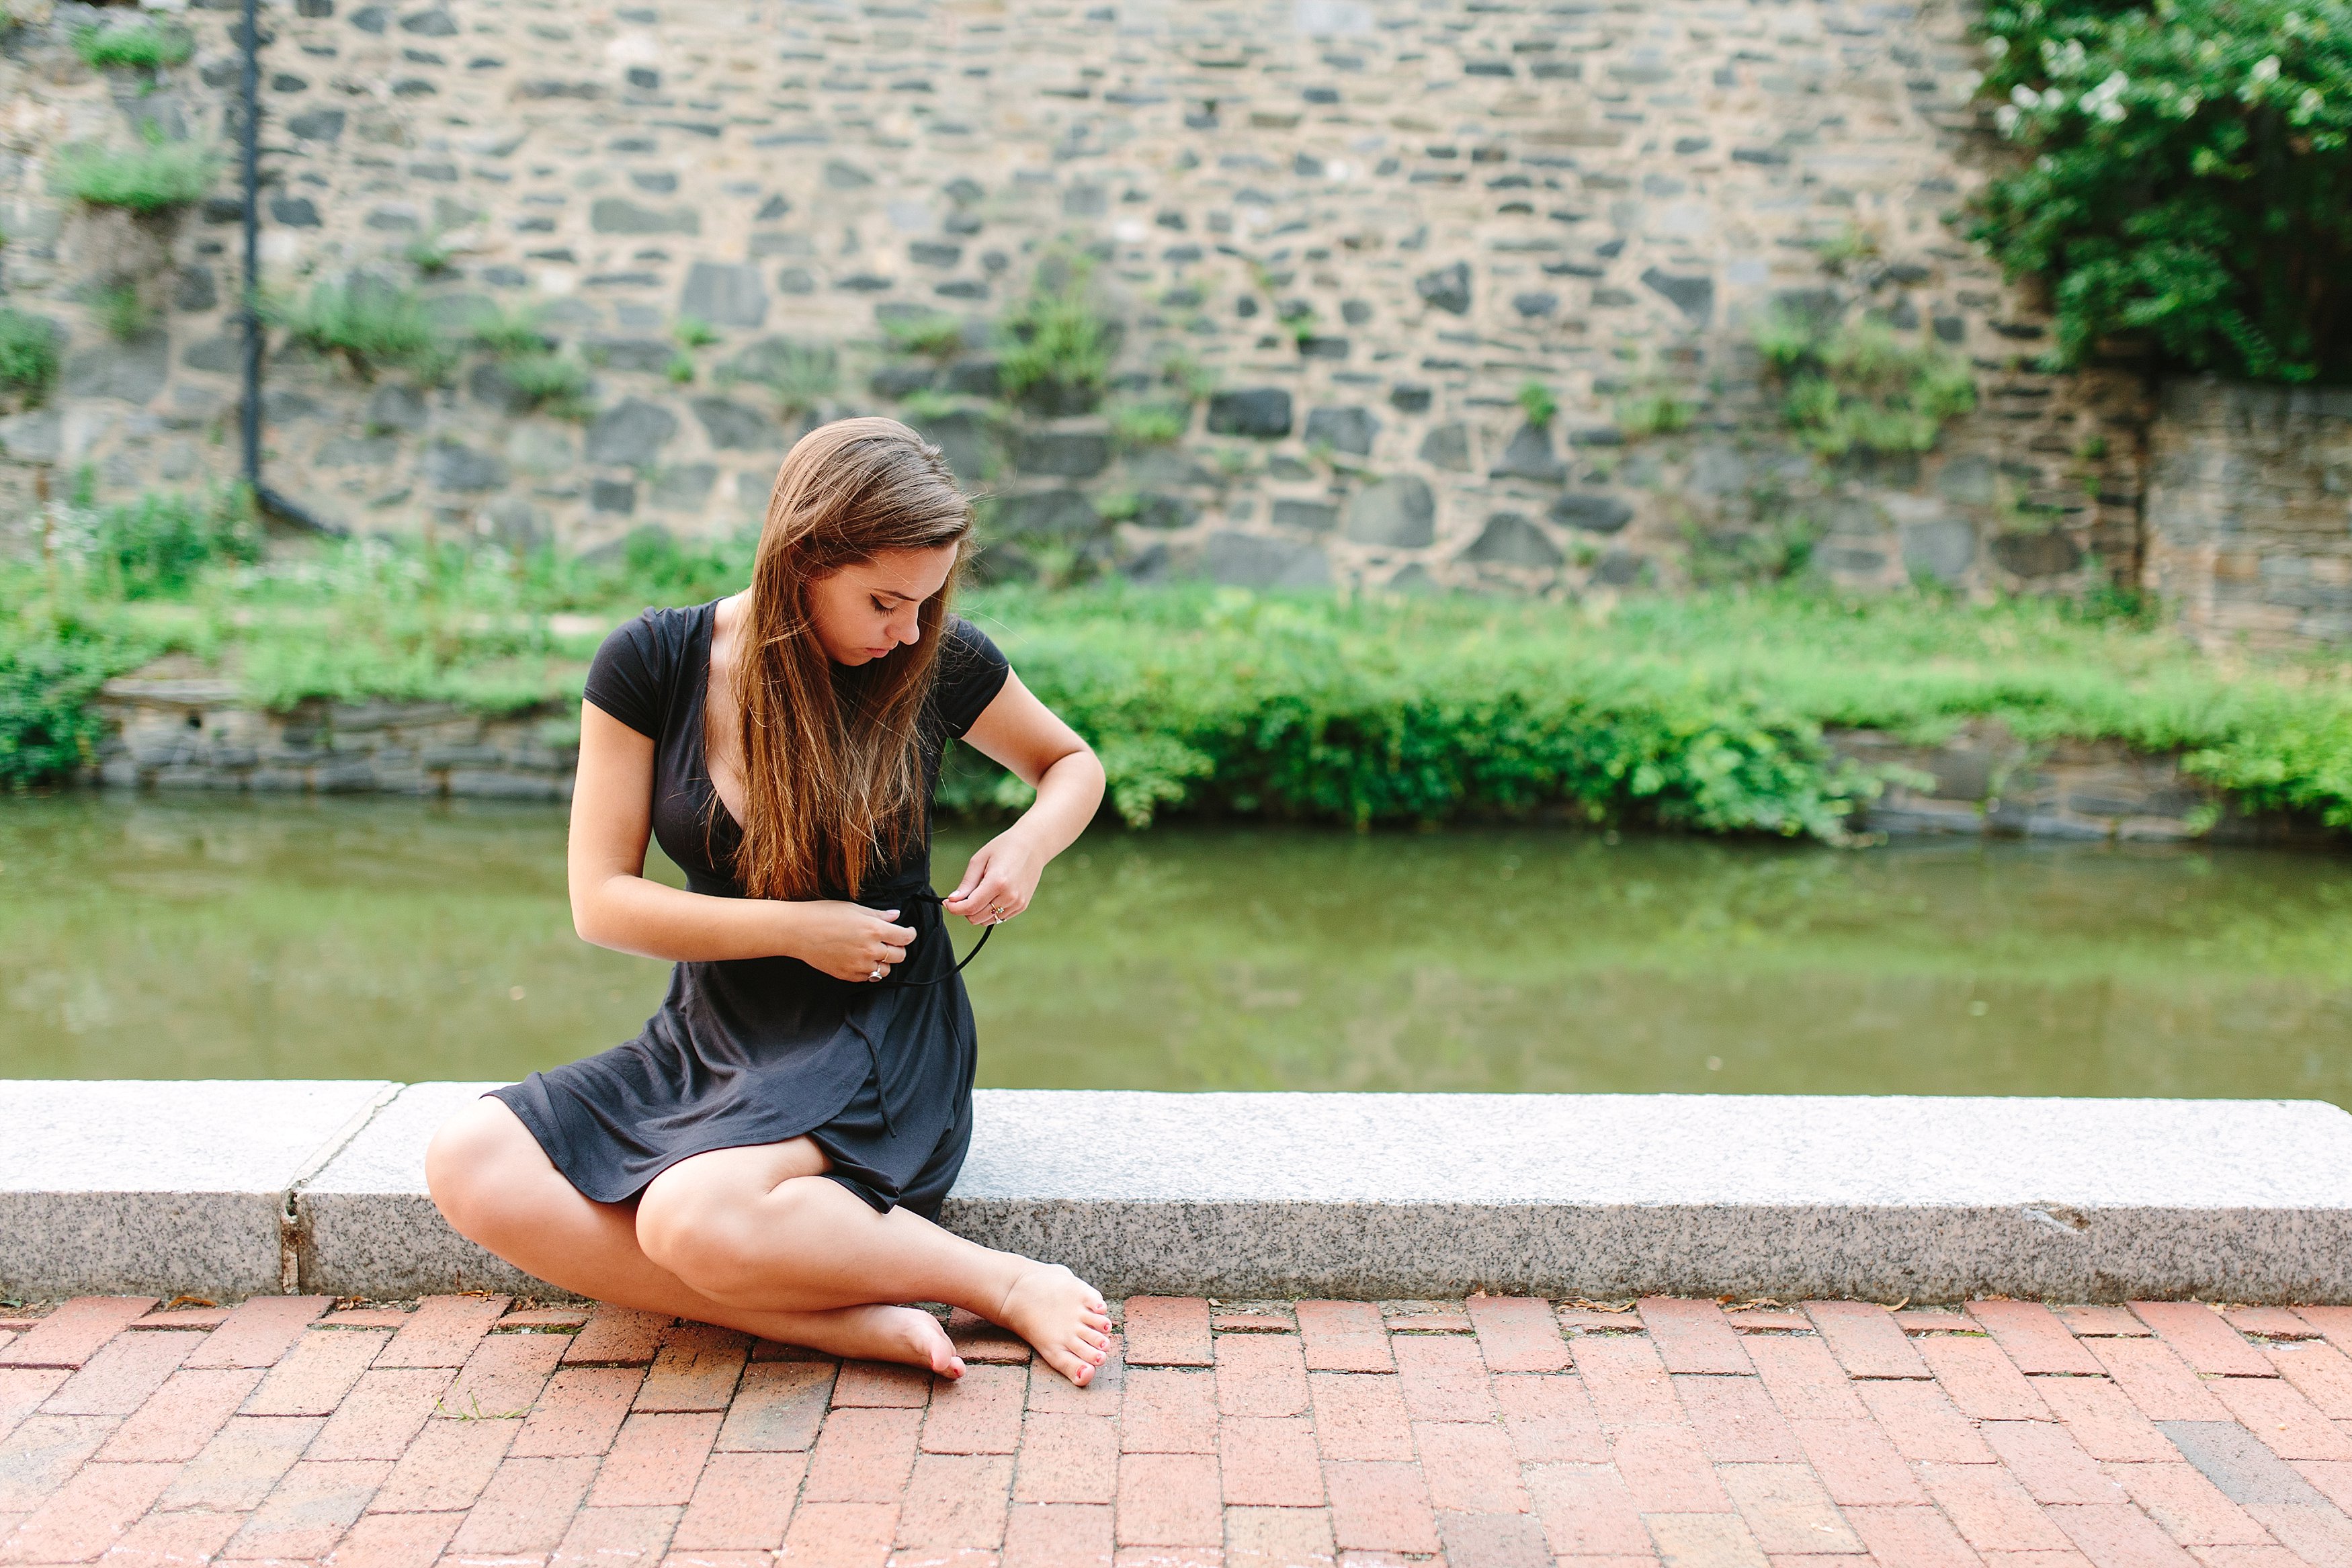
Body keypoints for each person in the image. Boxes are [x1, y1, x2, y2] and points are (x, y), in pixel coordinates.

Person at [425, 417, 1113, 1385]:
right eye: (883, 600)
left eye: (924, 603)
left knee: (688, 1212)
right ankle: (829, 1325)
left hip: (878, 1025)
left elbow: (1071, 763)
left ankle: (1000, 1283)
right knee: (468, 1160)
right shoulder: (650, 665)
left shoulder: (931, 659)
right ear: (803, 556)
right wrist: (795, 929)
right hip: (715, 1026)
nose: (908, 631)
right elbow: (602, 902)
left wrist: (1028, 843)